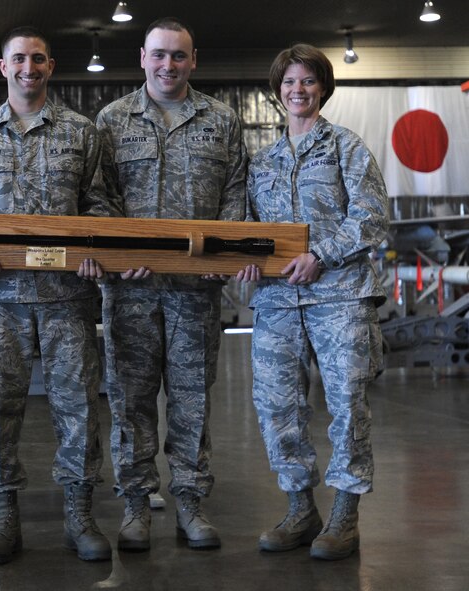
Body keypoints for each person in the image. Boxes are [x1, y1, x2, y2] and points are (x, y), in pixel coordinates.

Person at [0, 27, 118, 564]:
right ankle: (3, 518)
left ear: (51, 66)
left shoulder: (82, 133)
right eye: (19, 59)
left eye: (38, 59)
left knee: (79, 408)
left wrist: (94, 251)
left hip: (68, 296)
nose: (28, 68)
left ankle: (79, 515)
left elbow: (101, 205)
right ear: (3, 66)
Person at [94, 17, 247, 552]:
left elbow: (235, 194)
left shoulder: (221, 121)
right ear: (142, 57)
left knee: (191, 402)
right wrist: (121, 258)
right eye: (159, 55)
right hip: (131, 292)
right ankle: (136, 508)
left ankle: (191, 504)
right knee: (131, 400)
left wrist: (222, 257)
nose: (168, 65)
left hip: (196, 292)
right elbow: (100, 199)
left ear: (193, 60)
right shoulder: (112, 120)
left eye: (178, 56)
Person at [234, 44, 388, 561]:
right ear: (277, 92)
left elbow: (370, 217)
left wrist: (322, 254)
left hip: (340, 297)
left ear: (322, 88)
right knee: (277, 406)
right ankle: (301, 508)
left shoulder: (345, 147)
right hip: (278, 302)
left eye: (307, 81)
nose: (297, 90)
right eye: (288, 82)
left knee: (346, 405)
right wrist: (247, 259)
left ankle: (345, 514)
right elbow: (252, 231)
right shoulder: (263, 162)